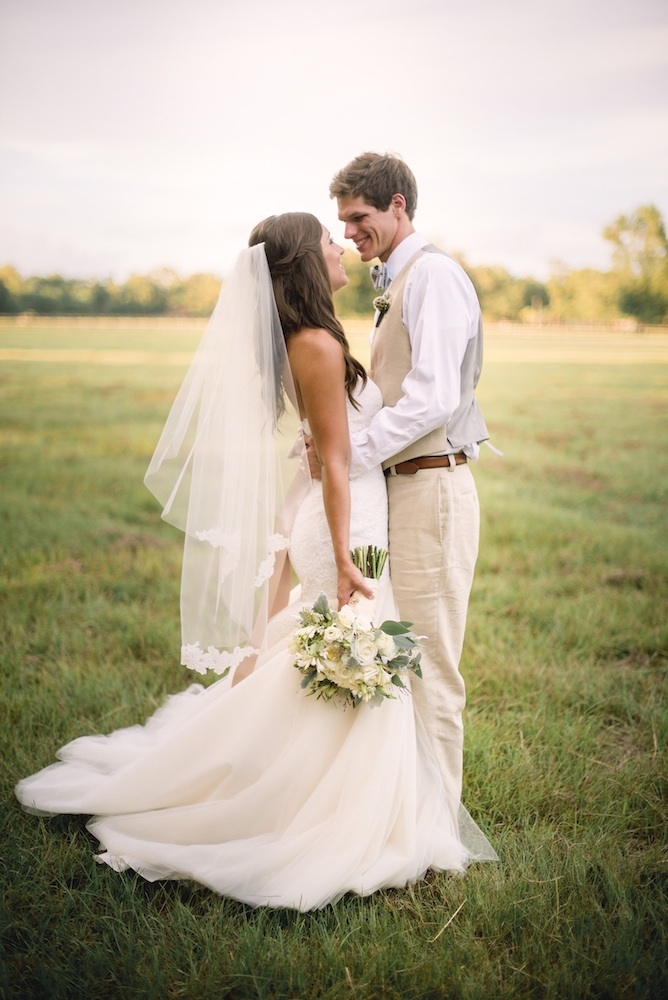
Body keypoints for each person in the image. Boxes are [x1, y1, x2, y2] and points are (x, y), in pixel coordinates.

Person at [15, 212, 496, 911]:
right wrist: (339, 552)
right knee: (347, 657)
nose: (340, 247)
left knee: (324, 660)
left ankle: (343, 796)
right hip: (348, 522)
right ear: (305, 259)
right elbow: (332, 459)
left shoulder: (308, 338)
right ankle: (316, 813)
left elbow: (322, 454)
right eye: (330, 240)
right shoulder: (319, 345)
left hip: (343, 512)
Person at [329, 152, 490, 818]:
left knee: (430, 666)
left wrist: (350, 455)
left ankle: (438, 830)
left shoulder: (435, 277)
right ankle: (404, 815)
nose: (349, 233)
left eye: (359, 218)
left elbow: (433, 398)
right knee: (401, 653)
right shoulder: (396, 279)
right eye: (342, 223)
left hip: (434, 489)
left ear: (398, 205)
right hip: (405, 487)